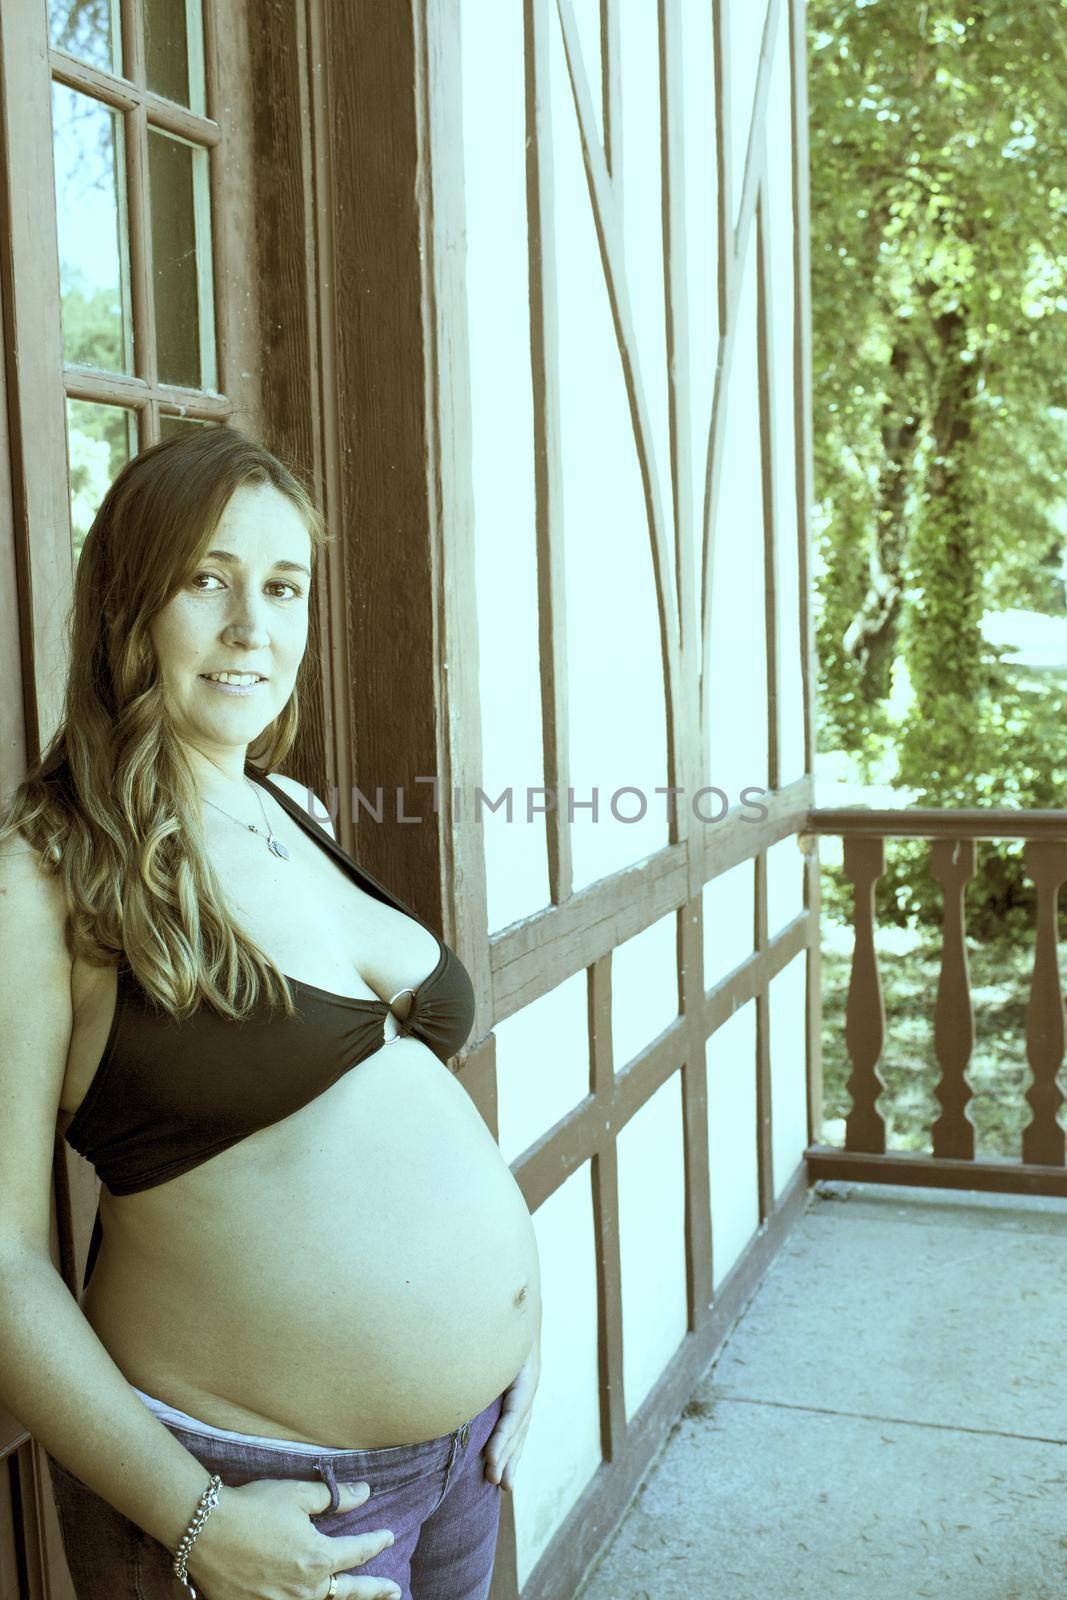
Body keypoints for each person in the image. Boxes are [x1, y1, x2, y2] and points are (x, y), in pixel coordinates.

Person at [0, 426, 542, 1600]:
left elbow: (391, 1094)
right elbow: (0, 1259)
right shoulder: (41, 877)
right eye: (208, 578)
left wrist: (512, 1320)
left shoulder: (285, 803)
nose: (254, 626)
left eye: (282, 586)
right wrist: (192, 1519)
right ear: (126, 606)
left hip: (468, 1461)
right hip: (257, 1497)